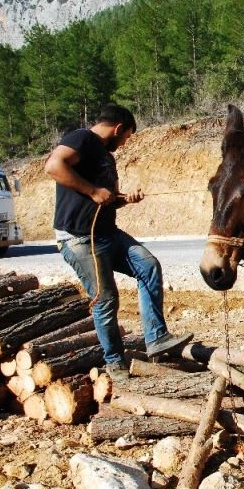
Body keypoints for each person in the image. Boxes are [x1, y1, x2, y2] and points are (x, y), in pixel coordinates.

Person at [45, 103, 191, 381]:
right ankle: (114, 362)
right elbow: (53, 166)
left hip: (107, 233)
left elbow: (105, 200)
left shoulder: (106, 157)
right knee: (106, 298)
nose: (125, 144)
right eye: (126, 138)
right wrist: (92, 190)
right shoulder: (82, 138)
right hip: (79, 238)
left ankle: (157, 338)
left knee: (147, 265)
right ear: (118, 128)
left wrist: (125, 198)